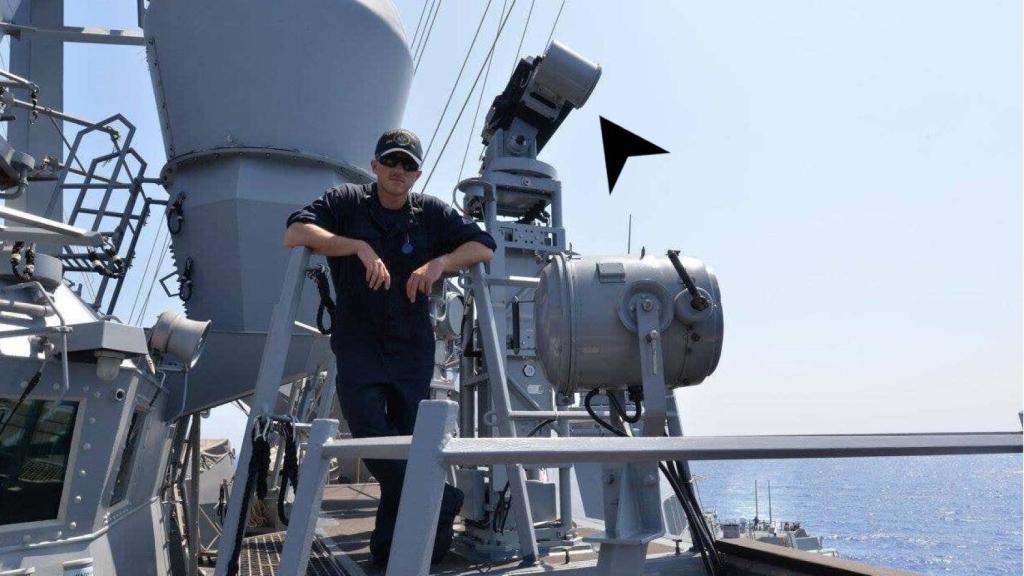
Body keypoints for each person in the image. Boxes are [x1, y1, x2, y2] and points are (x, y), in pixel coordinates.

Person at [284, 128, 495, 564]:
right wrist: (356, 246)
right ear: (375, 165)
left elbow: (484, 246)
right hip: (358, 342)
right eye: (390, 161)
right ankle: (443, 498)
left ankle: (391, 551)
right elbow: (296, 231)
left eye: (407, 165)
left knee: (406, 443)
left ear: (417, 173)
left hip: (410, 347)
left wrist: (441, 263)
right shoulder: (345, 201)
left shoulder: (431, 212)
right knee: (368, 433)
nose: (398, 171)